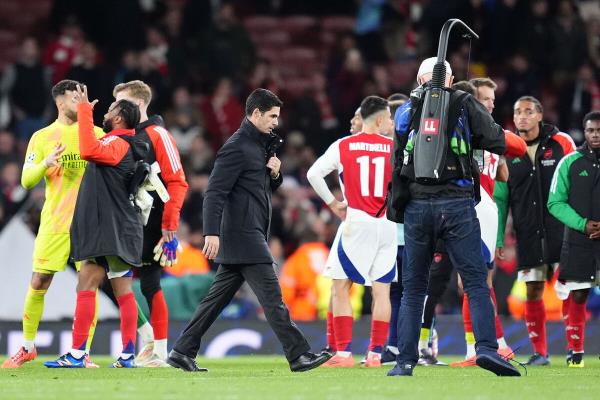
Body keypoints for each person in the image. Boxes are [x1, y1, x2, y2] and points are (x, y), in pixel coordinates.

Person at [167, 88, 331, 372]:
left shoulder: (258, 146)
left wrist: (275, 174)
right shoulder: (236, 146)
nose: (275, 122)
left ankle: (182, 350)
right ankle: (299, 354)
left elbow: (261, 191)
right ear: (255, 113)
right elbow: (214, 193)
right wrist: (211, 233)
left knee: (215, 301)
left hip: (247, 233)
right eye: (272, 116)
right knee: (272, 298)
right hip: (244, 236)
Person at [387, 57, 519, 377]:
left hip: (417, 206)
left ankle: (405, 360)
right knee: (475, 282)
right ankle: (486, 349)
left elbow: (397, 160)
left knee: (414, 288)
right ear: (449, 80)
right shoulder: (463, 102)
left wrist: (399, 208)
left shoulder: (405, 111)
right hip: (457, 204)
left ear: (420, 80)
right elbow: (498, 141)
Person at [1, 80, 104, 369]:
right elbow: (25, 180)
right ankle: (27, 347)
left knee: (88, 286)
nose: (80, 102)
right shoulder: (42, 136)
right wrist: (46, 162)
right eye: (75, 98)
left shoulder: (95, 133)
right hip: (55, 221)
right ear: (60, 102)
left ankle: (80, 352)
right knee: (38, 281)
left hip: (89, 223)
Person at [44, 85, 148, 368]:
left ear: (121, 118)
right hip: (117, 227)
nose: (107, 112)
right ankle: (127, 354)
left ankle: (78, 353)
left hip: (109, 228)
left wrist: (85, 112)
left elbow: (89, 149)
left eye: (112, 110)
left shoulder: (118, 144)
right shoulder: (125, 143)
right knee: (120, 289)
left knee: (89, 284)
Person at [307, 96, 397, 368]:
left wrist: (333, 204)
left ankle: (343, 354)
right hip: (388, 224)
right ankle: (375, 355)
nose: (390, 122)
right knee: (382, 291)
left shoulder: (344, 145)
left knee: (340, 287)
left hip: (357, 220)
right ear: (380, 120)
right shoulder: (395, 147)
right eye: (389, 117)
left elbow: (313, 174)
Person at [448, 78, 527, 366]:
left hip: (475, 207)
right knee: (480, 282)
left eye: (493, 99)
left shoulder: (470, 130)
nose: (492, 103)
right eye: (488, 99)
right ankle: (499, 343)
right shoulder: (494, 134)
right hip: (486, 207)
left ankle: (476, 349)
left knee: (471, 282)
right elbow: (504, 174)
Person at [112, 80, 189, 367]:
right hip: (124, 219)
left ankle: (158, 350)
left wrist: (169, 225)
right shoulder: (121, 134)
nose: (117, 109)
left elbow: (177, 181)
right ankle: (147, 338)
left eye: (123, 103)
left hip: (153, 220)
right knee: (109, 277)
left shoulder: (159, 135)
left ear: (140, 104)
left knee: (149, 284)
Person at [495, 96, 576, 366]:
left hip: (561, 231)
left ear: (540, 116)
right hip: (527, 232)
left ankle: (574, 349)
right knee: (532, 290)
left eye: (529, 112)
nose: (522, 117)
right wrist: (498, 238)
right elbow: (502, 198)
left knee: (570, 289)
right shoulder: (506, 150)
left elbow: (577, 185)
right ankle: (540, 353)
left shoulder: (561, 143)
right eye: (518, 112)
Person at [547, 110, 600, 368]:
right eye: (591, 130)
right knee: (578, 295)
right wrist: (583, 224)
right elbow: (554, 202)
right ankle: (576, 353)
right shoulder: (569, 162)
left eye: (599, 130)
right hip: (579, 239)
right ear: (585, 131)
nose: (595, 135)